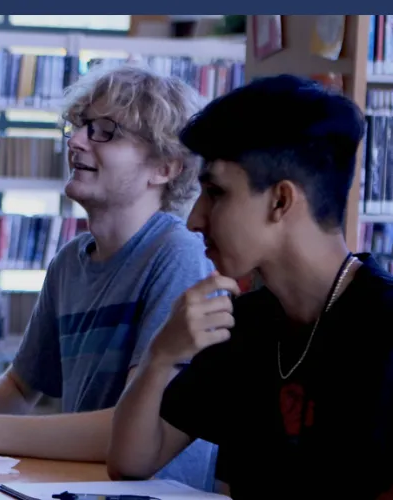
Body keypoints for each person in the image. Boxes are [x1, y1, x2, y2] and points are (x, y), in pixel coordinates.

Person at [110, 75, 393, 498]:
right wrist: (160, 356)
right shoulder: (243, 322)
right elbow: (131, 463)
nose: (194, 219)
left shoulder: (384, 326)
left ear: (280, 200)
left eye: (216, 192)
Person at [0, 64, 218, 490]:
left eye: (106, 130)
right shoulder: (70, 261)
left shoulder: (178, 254)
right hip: (83, 486)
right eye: (79, 125)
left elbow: (127, 432)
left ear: (165, 167)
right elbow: (19, 386)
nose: (78, 141)